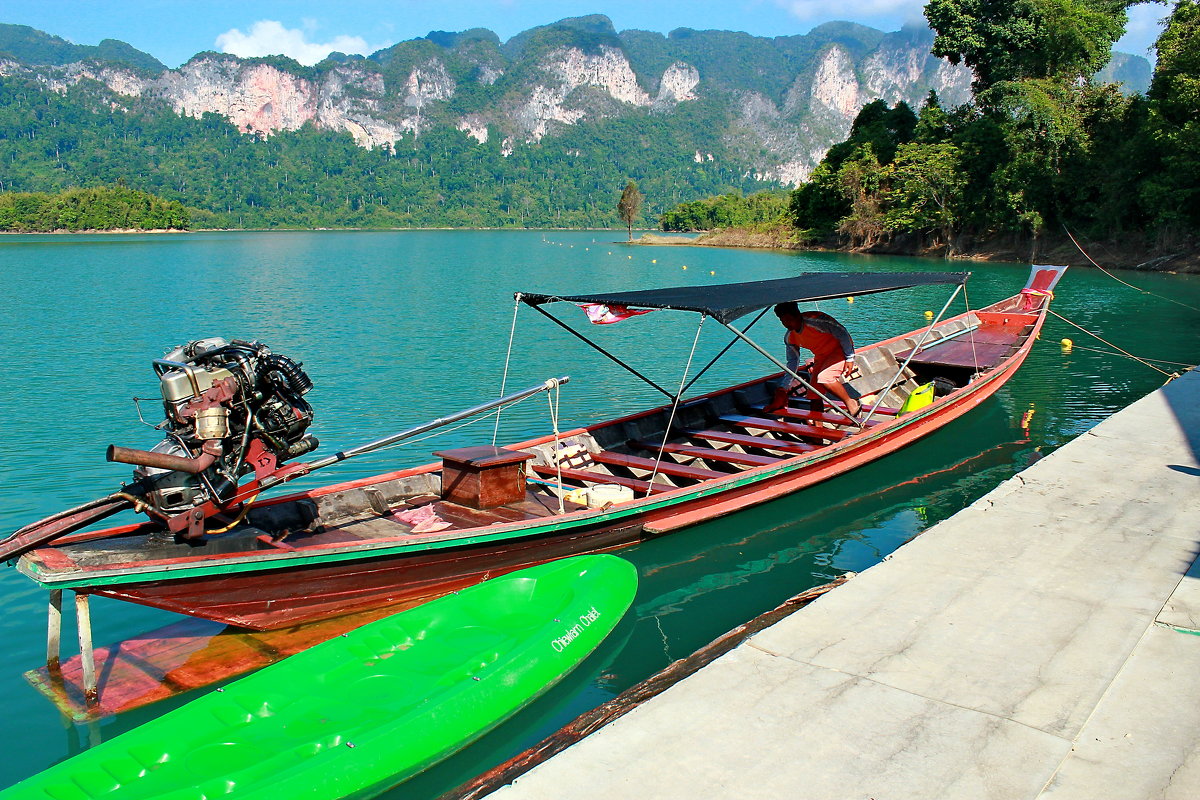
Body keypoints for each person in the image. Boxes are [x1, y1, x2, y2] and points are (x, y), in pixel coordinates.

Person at [765, 302, 860, 417]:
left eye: (789, 319)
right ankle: (817, 426)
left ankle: (851, 402)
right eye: (783, 321)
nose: (786, 324)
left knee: (825, 378)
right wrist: (783, 388)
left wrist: (850, 358)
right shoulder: (790, 337)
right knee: (813, 394)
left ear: (797, 315)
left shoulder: (816, 322)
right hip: (821, 356)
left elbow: (842, 333)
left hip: (839, 350)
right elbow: (792, 362)